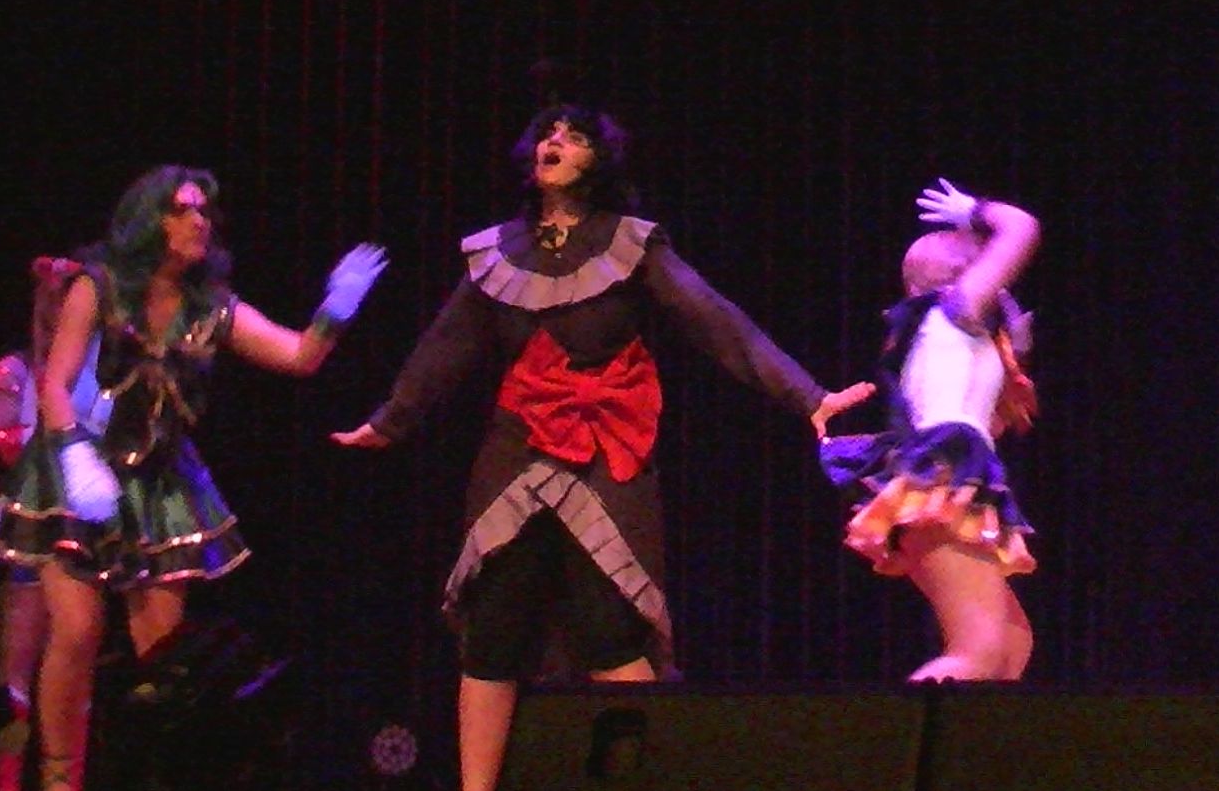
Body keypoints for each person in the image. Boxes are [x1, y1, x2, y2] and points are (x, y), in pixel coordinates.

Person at [331, 95, 874, 791]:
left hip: (606, 451)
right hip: (516, 449)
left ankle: (659, 775)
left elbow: (716, 321)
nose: (555, 141)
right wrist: (391, 420)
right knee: (493, 628)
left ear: (599, 159)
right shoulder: (496, 252)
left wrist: (808, 395)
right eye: (547, 133)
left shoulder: (630, 242)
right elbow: (445, 346)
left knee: (608, 627)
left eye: (575, 136)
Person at [0, 165, 387, 791]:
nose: (199, 221)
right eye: (182, 209)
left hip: (159, 481)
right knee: (79, 630)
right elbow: (55, 385)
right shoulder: (100, 285)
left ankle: (154, 776)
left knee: (164, 656)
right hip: (78, 468)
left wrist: (336, 308)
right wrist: (74, 457)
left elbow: (298, 356)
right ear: (149, 219)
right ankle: (60, 781)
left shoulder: (211, 305)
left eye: (203, 210)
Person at [818, 179, 1041, 682]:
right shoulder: (956, 309)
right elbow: (1022, 227)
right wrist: (975, 210)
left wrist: (1018, 353)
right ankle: (901, 731)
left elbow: (988, 428)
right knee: (977, 654)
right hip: (941, 486)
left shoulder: (945, 333)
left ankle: (961, 733)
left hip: (950, 479)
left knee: (1010, 645)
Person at [0, 256, 110, 791]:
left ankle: (65, 779)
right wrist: (45, 449)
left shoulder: (104, 374)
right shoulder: (18, 371)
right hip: (32, 524)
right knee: (19, 667)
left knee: (78, 655)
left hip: (84, 528)